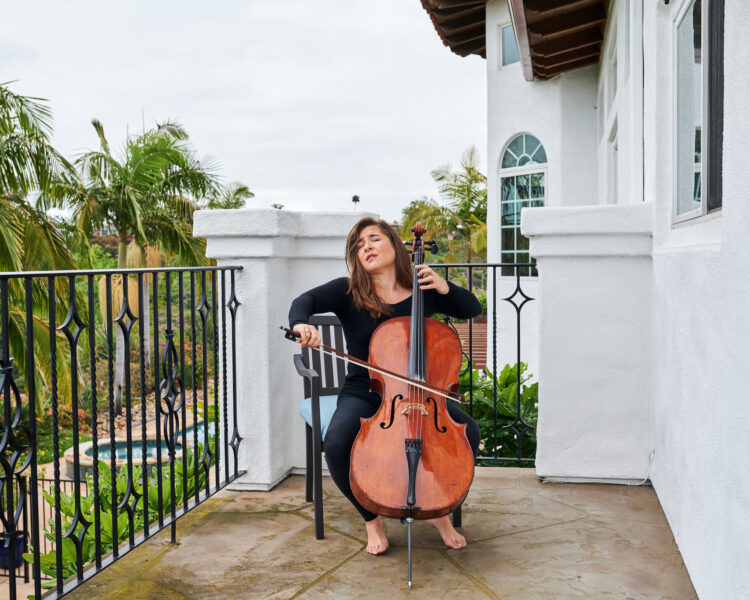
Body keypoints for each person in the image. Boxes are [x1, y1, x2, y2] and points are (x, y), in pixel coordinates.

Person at [288, 216, 482, 555]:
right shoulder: (349, 291)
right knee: (336, 443)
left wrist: (444, 286)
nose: (366, 247)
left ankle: (439, 511)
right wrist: (301, 325)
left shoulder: (424, 288)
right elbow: (304, 301)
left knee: (469, 432)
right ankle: (371, 520)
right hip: (366, 390)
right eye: (359, 245)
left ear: (395, 244)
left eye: (374, 239)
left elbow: (472, 309)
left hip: (422, 392)